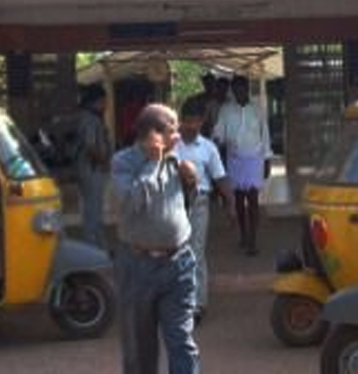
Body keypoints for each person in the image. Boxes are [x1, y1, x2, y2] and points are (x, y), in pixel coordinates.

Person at [111, 104, 201, 374]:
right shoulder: (123, 163)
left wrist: (191, 183)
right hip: (138, 267)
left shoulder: (176, 160)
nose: (180, 132)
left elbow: (184, 208)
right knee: (140, 350)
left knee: (181, 341)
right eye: (174, 127)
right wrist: (152, 163)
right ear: (154, 134)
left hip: (179, 265)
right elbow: (131, 204)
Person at [176, 96, 237, 322]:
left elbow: (220, 178)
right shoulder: (170, 146)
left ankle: (197, 304)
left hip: (200, 202)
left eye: (196, 121)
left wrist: (231, 205)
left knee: (196, 253)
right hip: (174, 204)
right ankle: (178, 301)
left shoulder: (208, 148)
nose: (191, 126)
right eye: (187, 121)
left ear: (202, 122)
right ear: (181, 121)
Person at [214, 76, 273, 255]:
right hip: (235, 158)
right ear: (233, 90)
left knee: (253, 199)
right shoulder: (225, 110)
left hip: (255, 158)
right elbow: (219, 133)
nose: (239, 92)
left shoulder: (257, 109)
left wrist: (267, 159)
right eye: (236, 89)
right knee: (238, 199)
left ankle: (253, 240)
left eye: (242, 89)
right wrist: (216, 140)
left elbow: (265, 134)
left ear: (247, 89)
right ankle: (243, 234)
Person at [76, 84, 112, 249]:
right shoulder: (89, 119)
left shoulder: (92, 118)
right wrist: (103, 161)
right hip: (92, 169)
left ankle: (98, 245)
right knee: (93, 212)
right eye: (103, 101)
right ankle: (92, 247)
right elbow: (90, 146)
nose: (105, 104)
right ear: (95, 101)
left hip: (93, 169)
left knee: (95, 210)